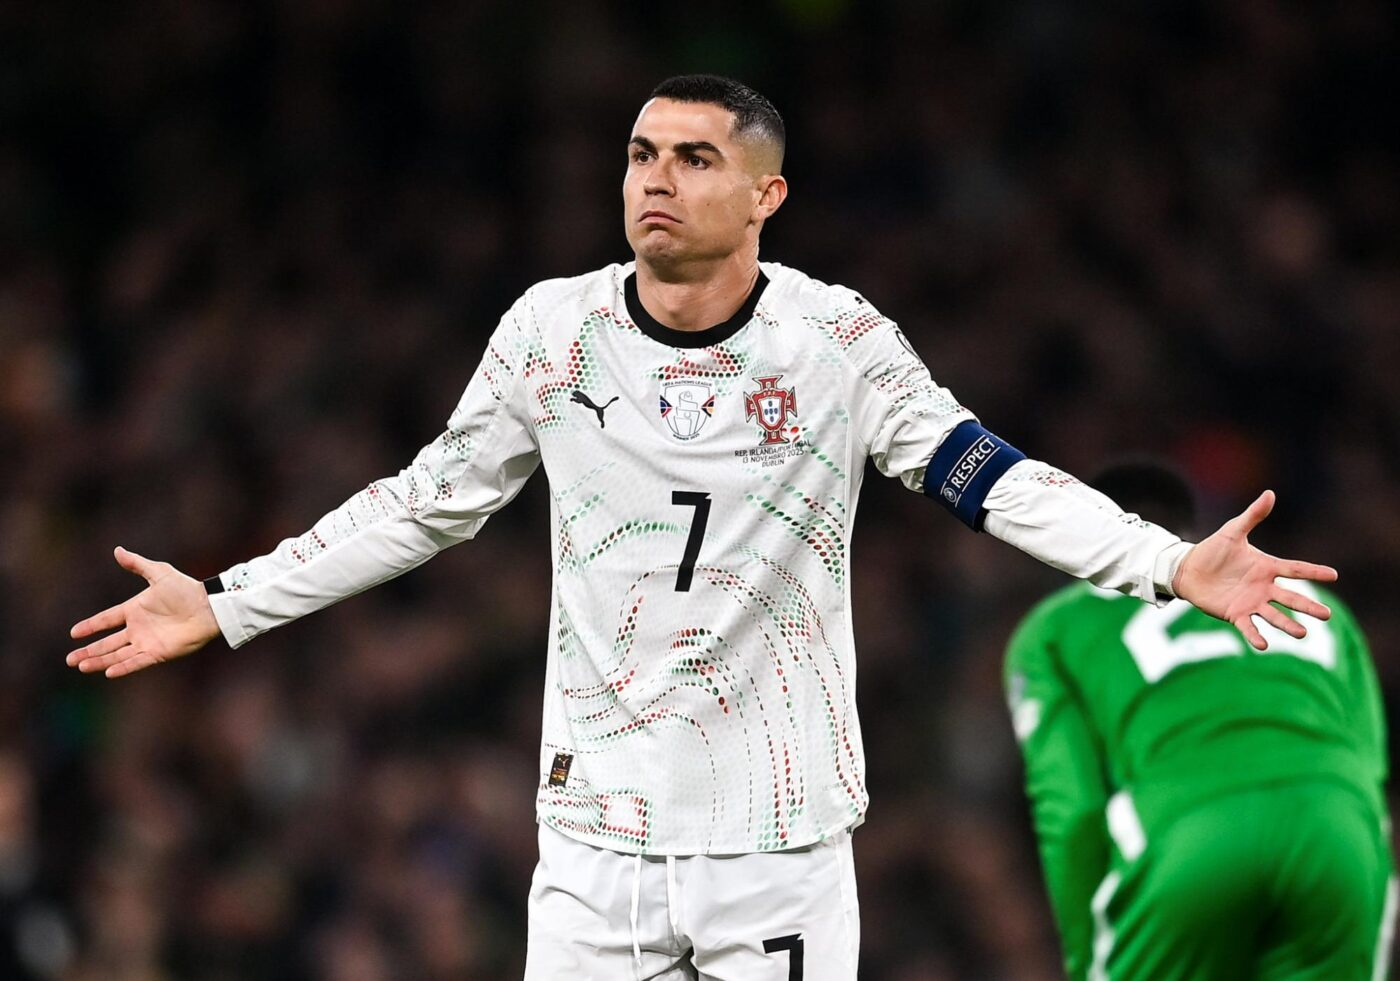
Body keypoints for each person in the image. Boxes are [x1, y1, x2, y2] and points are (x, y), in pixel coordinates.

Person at [69, 75, 1338, 980]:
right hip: (595, 843)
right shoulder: (552, 333)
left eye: (691, 159)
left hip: (774, 842)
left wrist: (1165, 561)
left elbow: (987, 475)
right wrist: (229, 603)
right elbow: (424, 502)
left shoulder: (835, 341)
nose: (654, 181)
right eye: (638, 155)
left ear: (765, 193)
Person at [1005, 461, 1392, 981]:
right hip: (1336, 833)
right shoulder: (1319, 606)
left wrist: (1087, 957)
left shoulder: (1054, 629)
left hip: (1185, 837)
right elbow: (1371, 766)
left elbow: (1072, 810)